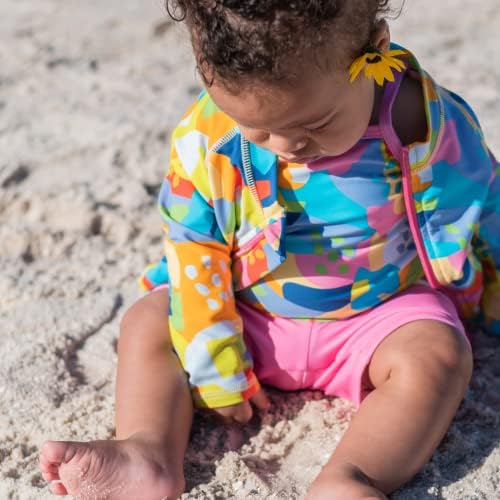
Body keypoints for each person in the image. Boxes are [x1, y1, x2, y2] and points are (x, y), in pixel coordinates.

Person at [39, 1, 500, 498]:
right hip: (249, 317)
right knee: (149, 320)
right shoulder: (206, 138)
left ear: (376, 48)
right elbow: (193, 246)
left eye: (315, 125)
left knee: (439, 352)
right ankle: (147, 452)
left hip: (377, 320)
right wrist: (215, 362)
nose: (285, 145)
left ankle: (352, 476)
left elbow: (484, 198)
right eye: (255, 129)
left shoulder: (422, 121)